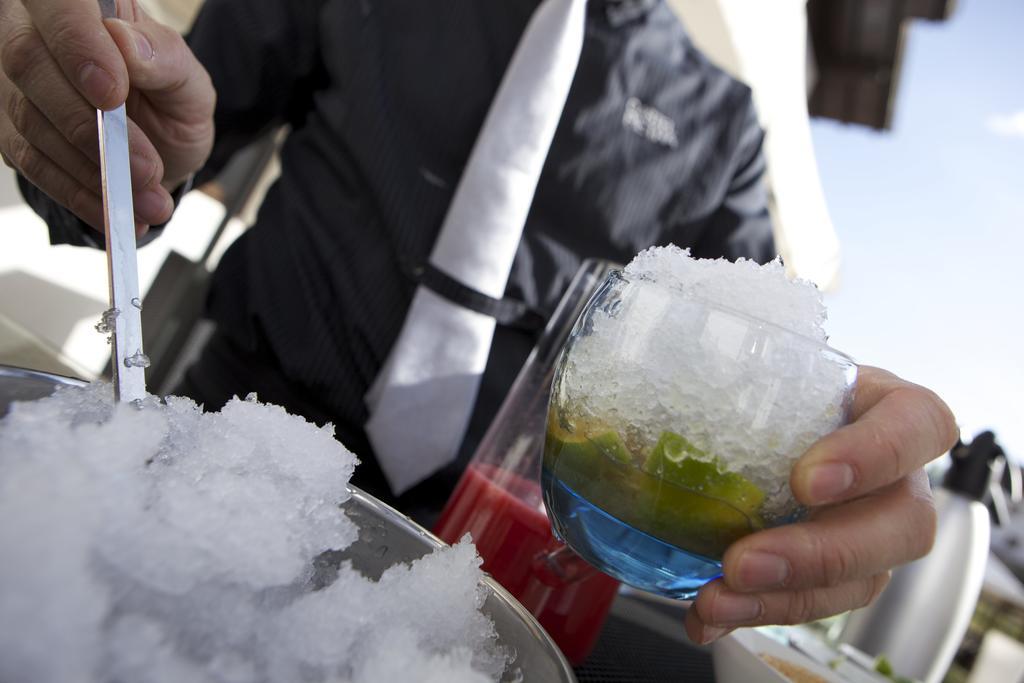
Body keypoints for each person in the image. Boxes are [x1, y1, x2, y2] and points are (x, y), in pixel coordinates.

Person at [0, 0, 958, 645]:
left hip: (485, 581)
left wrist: (819, 453)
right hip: (228, 462)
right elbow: (154, 142)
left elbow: (752, 368)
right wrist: (110, 142)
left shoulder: (725, 130)